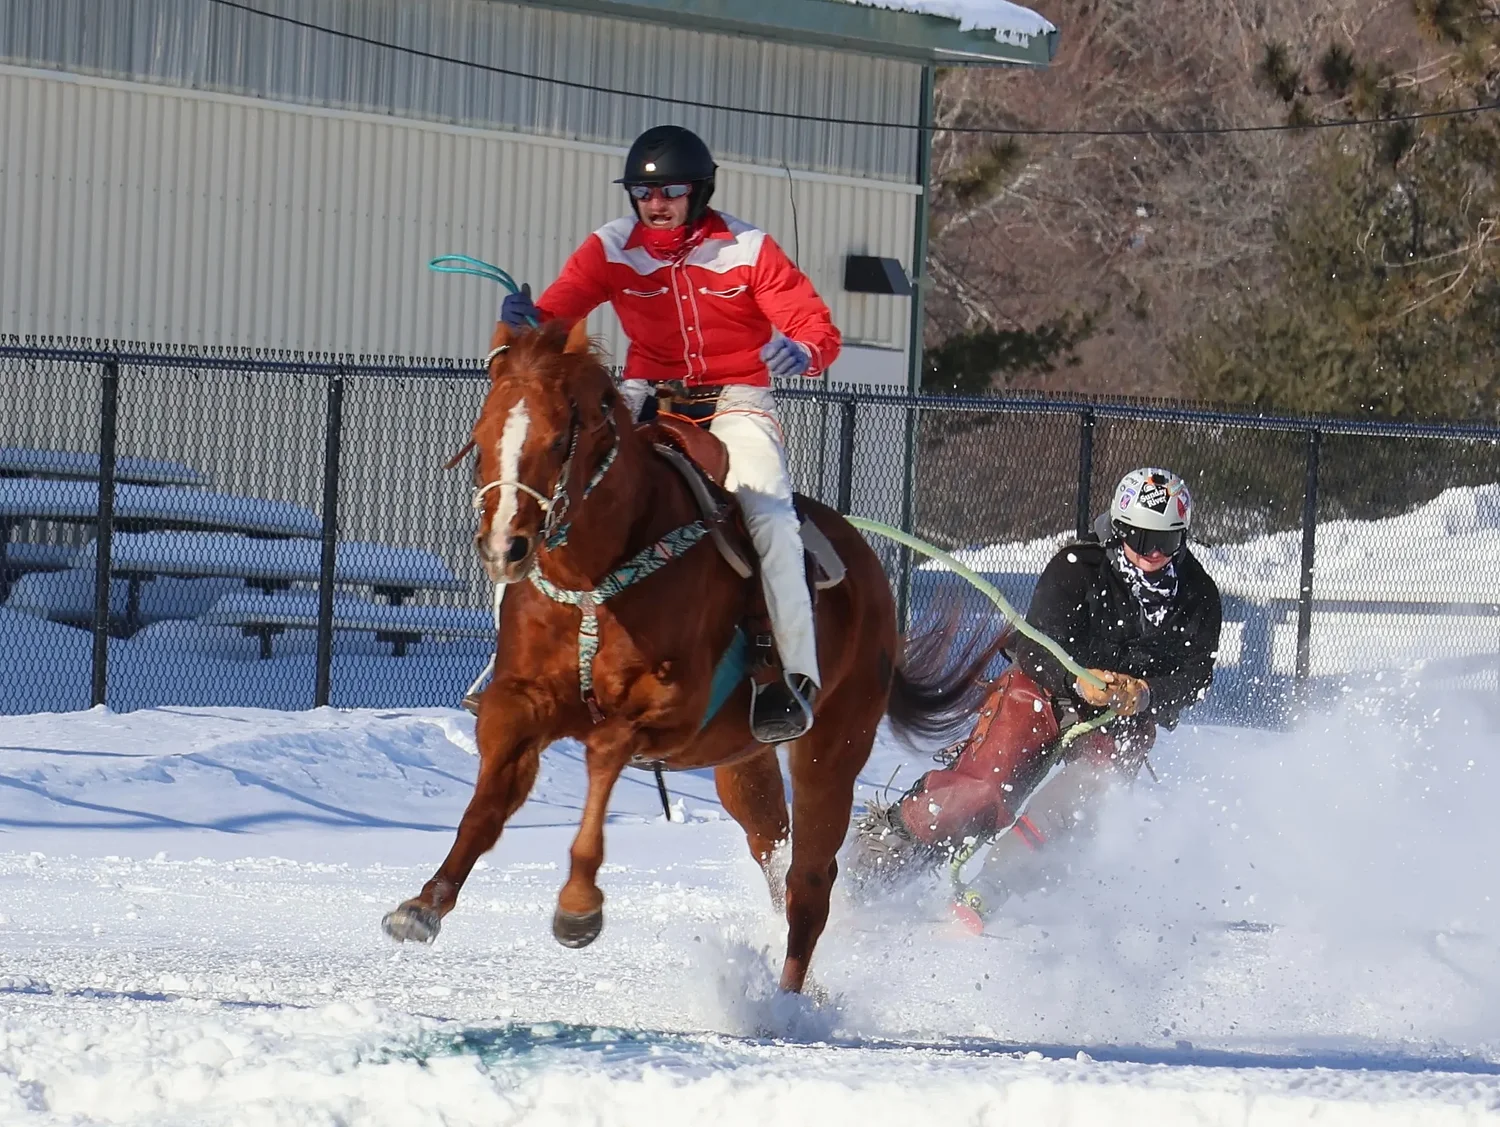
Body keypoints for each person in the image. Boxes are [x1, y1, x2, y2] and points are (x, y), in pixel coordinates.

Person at [492, 124, 840, 743]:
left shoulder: (748, 247)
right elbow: (560, 308)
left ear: (698, 193)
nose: (656, 204)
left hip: (736, 399)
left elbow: (813, 325)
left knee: (772, 521)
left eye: (671, 192)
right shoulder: (610, 247)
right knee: (544, 497)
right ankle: (506, 666)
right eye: (643, 194)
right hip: (645, 396)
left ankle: (792, 676)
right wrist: (529, 319)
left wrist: (804, 349)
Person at [860, 468, 1223, 909]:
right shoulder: (1077, 568)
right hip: (1043, 691)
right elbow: (1037, 646)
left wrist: (1144, 693)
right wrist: (1078, 679)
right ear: (1117, 528)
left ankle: (996, 889)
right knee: (985, 790)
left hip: (1121, 718)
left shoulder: (1197, 595)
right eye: (1137, 539)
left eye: (1163, 544)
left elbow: (1195, 676)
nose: (1149, 555)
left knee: (1084, 795)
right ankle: (877, 859)